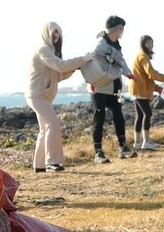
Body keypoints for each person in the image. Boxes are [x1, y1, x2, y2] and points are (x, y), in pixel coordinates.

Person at [26, 22, 90, 172]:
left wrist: (75, 67)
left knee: (45, 128)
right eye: (53, 33)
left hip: (42, 95)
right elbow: (60, 66)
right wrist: (83, 59)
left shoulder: (50, 51)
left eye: (58, 33)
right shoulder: (43, 49)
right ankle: (52, 162)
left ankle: (39, 165)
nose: (56, 36)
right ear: (46, 33)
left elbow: (59, 75)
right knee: (53, 124)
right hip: (37, 95)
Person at [87, 16, 136, 163]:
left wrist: (128, 73)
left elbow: (120, 59)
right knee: (99, 117)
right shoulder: (101, 44)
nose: (122, 32)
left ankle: (123, 147)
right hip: (99, 86)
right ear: (117, 29)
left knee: (118, 115)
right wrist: (92, 81)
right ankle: (98, 152)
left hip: (113, 85)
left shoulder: (116, 43)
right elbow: (92, 62)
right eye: (121, 29)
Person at [129, 35, 164, 150]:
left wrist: (157, 88)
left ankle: (137, 143)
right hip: (139, 89)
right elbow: (151, 73)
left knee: (140, 115)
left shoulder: (141, 55)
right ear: (143, 44)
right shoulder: (143, 56)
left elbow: (146, 78)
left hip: (136, 89)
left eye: (151, 43)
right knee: (147, 113)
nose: (150, 45)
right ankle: (146, 142)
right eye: (148, 43)